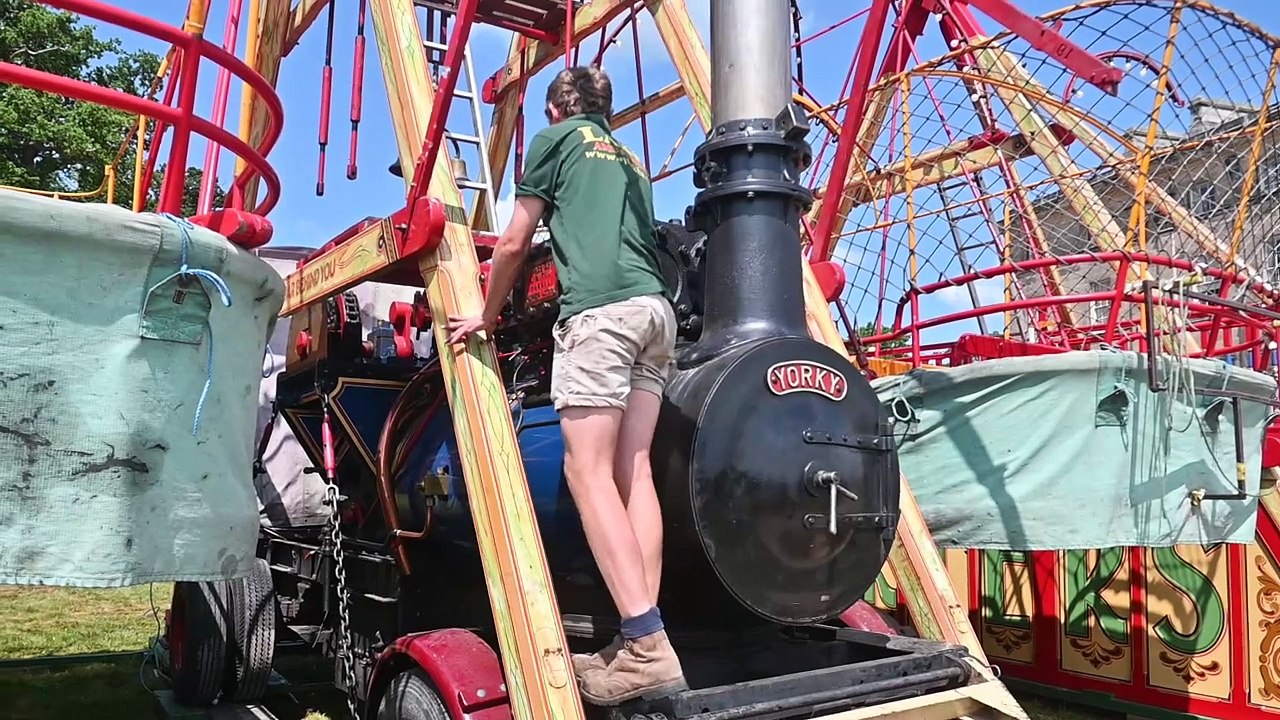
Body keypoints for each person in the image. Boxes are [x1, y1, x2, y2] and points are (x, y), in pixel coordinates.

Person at [445, 66, 686, 705]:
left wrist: (487, 316)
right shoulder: (631, 160)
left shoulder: (557, 139)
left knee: (588, 472)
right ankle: (642, 632)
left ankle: (645, 643)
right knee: (634, 469)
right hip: (655, 314)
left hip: (602, 315)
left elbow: (515, 241)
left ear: (555, 107)